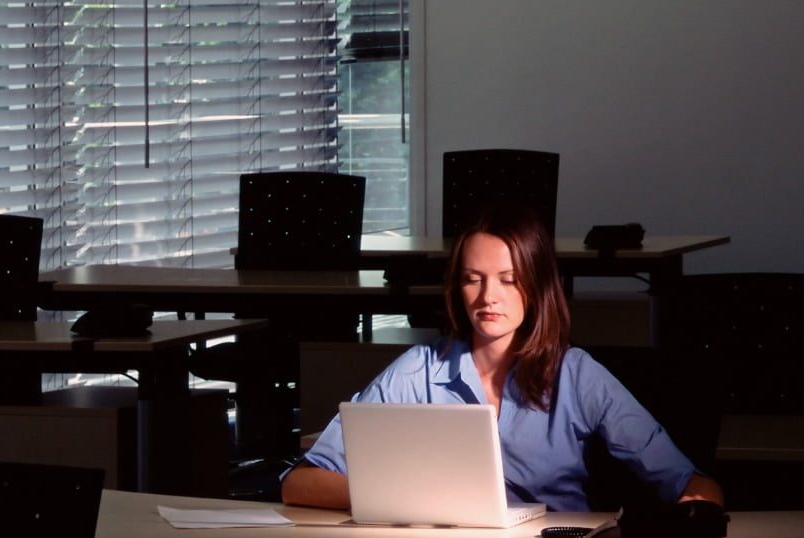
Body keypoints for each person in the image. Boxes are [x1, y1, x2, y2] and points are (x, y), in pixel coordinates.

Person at [281, 203, 723, 511]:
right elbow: (301, 483)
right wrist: (402, 497)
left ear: (536, 286)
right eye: (473, 279)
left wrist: (694, 508)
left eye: (508, 279)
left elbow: (690, 481)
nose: (488, 297)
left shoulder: (576, 375)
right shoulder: (417, 371)